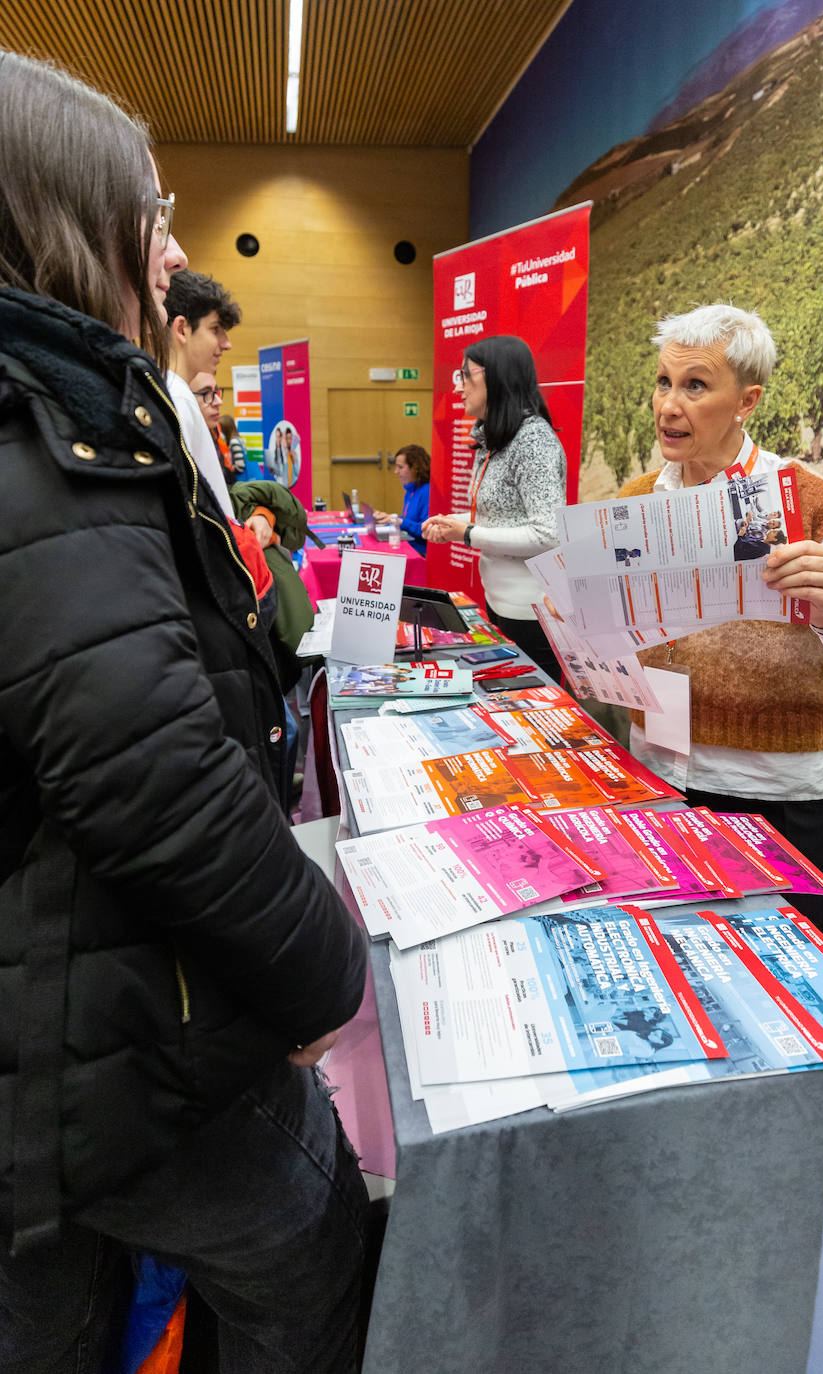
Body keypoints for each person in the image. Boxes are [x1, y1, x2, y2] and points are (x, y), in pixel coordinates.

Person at [0, 51, 368, 1371]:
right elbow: (147, 769)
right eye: (147, 210)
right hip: (113, 1039)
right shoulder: (45, 440)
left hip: (63, 1031)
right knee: (310, 1255)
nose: (168, 251)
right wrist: (325, 968)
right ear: (61, 213)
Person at [617, 303, 823, 947]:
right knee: (675, 954)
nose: (668, 405)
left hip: (781, 791)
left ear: (748, 400)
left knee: (791, 969)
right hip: (663, 773)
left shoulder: (809, 501)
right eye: (663, 382)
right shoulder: (634, 504)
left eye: (694, 386)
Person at [423, 335, 566, 679]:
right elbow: (497, 517)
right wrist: (452, 524)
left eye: (466, 375)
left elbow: (548, 534)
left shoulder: (533, 440)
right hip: (500, 601)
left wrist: (468, 533)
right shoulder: (494, 438)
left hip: (531, 612)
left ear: (497, 377)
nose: (459, 388)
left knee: (532, 711)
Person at [164, 268, 239, 519]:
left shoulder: (173, 392)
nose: (226, 343)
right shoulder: (178, 398)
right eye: (215, 329)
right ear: (182, 329)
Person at [373, 444, 431, 553]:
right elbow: (409, 521)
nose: (396, 471)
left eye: (400, 467)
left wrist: (398, 521)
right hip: (409, 546)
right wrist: (388, 518)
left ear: (415, 468)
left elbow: (425, 530)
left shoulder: (427, 492)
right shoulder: (410, 490)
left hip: (420, 552)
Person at [220, 411, 248, 480]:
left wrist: (228, 469)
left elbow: (240, 466)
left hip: (240, 480)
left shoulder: (234, 442)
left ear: (225, 429)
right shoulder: (237, 439)